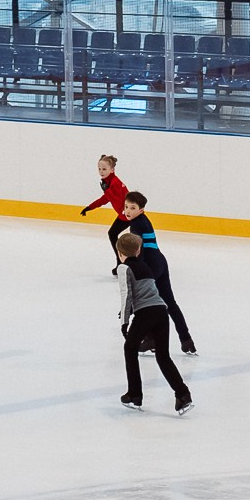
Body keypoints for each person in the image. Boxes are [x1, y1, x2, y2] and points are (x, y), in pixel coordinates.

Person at [117, 232, 192, 414]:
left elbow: (126, 296)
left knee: (130, 349)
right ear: (138, 250)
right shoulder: (145, 267)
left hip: (146, 313)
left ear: (120, 253)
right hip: (161, 311)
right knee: (163, 356)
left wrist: (124, 322)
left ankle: (135, 394)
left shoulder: (124, 268)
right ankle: (183, 394)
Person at [121, 190, 196, 353]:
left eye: (132, 208)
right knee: (170, 303)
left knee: (143, 303)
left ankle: (151, 339)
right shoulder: (142, 220)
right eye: (126, 207)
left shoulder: (136, 225)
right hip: (160, 262)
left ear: (141, 210)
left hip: (151, 264)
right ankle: (186, 339)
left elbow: (138, 250)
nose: (128, 211)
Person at [80, 154, 131, 269]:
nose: (101, 172)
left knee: (113, 234)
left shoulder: (115, 182)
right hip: (125, 215)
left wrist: (107, 190)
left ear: (112, 169)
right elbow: (105, 199)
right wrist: (89, 207)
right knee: (112, 233)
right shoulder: (109, 181)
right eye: (99, 169)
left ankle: (121, 262)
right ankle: (120, 262)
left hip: (129, 215)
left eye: (104, 169)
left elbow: (118, 202)